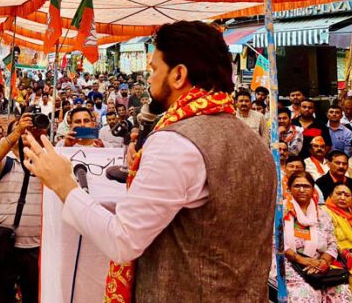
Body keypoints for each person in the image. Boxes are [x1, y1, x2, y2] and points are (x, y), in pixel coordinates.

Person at [21, 21, 276, 302]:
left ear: (178, 75)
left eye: (154, 68)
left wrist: (63, 184)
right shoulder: (255, 143)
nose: (149, 76)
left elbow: (122, 240)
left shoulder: (177, 141)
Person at [0, 114, 46, 303]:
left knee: (34, 296)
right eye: (19, 130)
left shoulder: (44, 164)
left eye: (29, 130)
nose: (24, 133)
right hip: (4, 245)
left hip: (35, 246)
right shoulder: (5, 161)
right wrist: (16, 131)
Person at [277, 172, 352, 302]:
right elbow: (275, 241)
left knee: (342, 291)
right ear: (289, 189)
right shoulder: (281, 211)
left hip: (317, 265)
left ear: (313, 189)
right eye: (297, 186)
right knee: (307, 294)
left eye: (306, 186)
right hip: (288, 264)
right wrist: (302, 260)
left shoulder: (322, 214)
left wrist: (323, 262)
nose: (302, 190)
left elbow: (332, 243)